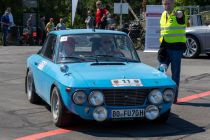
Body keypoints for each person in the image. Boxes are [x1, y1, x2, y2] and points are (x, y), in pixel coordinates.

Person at [158, 0, 187, 103]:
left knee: (175, 74)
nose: (167, 5)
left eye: (169, 3)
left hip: (176, 48)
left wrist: (178, 14)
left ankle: (173, 98)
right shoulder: (163, 14)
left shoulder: (178, 11)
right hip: (164, 48)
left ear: (174, 4)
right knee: (160, 72)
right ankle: (158, 96)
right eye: (165, 4)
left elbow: (180, 15)